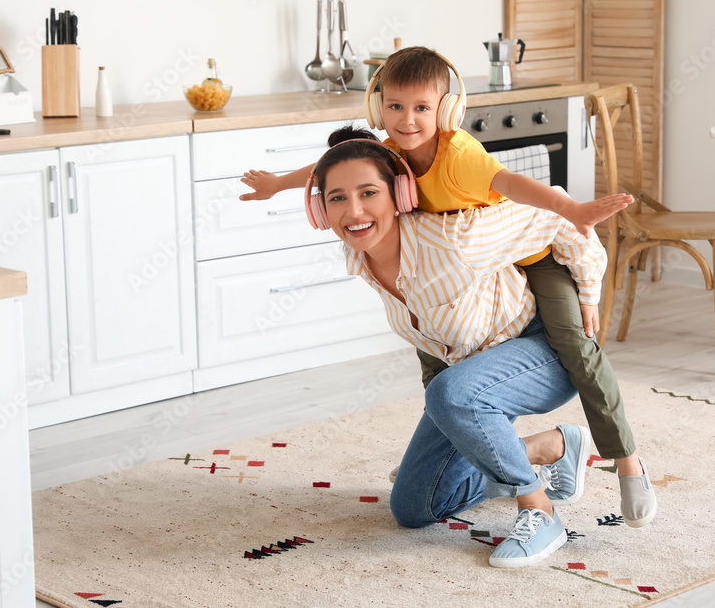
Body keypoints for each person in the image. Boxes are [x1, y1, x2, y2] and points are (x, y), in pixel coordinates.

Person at [241, 47, 655, 529]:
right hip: (466, 331)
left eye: (421, 108)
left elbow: (538, 205)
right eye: (395, 107)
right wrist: (277, 184)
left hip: (537, 280)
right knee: (414, 503)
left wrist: (587, 285)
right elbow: (331, 168)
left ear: (446, 110)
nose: (407, 119)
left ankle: (600, 477)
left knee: (560, 353)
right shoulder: (384, 179)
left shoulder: (459, 179)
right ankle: (536, 450)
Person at [308, 127, 626, 567]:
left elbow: (554, 215)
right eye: (337, 198)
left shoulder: (452, 239)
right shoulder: (358, 258)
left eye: (368, 192)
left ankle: (540, 510)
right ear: (319, 208)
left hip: (542, 351)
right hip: (474, 377)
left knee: (449, 395)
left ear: (399, 194)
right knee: (414, 508)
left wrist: (588, 294)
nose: (354, 210)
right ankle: (551, 448)